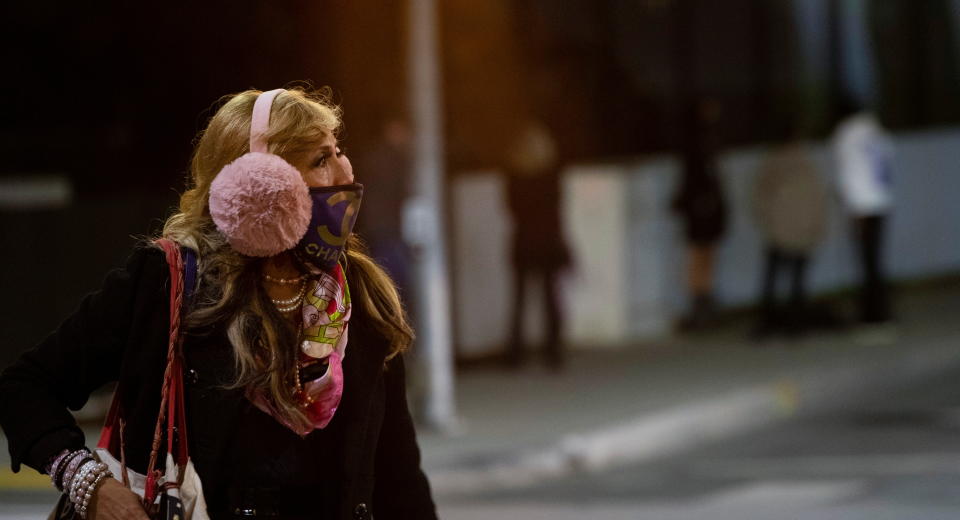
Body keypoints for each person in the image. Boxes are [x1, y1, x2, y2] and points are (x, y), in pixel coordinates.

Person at [0, 87, 437, 519]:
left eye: (338, 151)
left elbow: (398, 476)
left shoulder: (358, 291)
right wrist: (90, 485)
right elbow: (24, 387)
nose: (346, 173)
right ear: (258, 185)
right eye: (320, 160)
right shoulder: (167, 282)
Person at [503, 119, 572, 370]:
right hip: (547, 240)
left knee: (519, 299)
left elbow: (510, 208)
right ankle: (553, 352)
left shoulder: (514, 175)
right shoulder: (551, 174)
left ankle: (515, 354)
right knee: (549, 297)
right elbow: (557, 210)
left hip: (523, 240)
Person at [751, 137, 829, 339]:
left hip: (779, 231)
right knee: (796, 278)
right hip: (801, 231)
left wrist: (768, 224)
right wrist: (816, 227)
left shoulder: (772, 163)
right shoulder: (805, 163)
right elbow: (817, 198)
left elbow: (759, 197)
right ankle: (795, 324)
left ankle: (770, 321)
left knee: (774, 276)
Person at [831, 96, 895, 333]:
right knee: (875, 261)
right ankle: (881, 311)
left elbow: (847, 171)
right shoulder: (875, 129)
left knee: (867, 262)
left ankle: (874, 315)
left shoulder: (847, 133)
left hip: (862, 205)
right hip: (882, 201)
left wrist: (851, 205)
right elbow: (888, 160)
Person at [671, 97, 728, 331]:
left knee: (705, 255)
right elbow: (693, 178)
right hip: (699, 208)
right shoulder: (697, 144)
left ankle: (703, 303)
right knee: (698, 255)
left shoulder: (708, 141)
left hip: (706, 208)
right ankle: (699, 305)